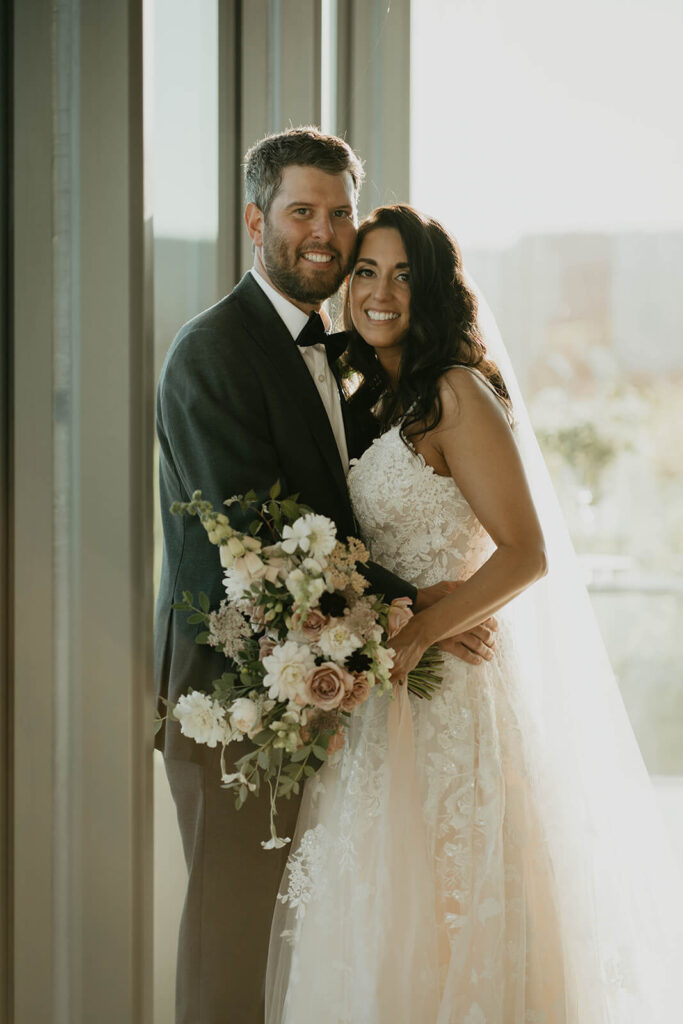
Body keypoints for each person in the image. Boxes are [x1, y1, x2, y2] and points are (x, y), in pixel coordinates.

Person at [266, 205, 683, 1023]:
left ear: (436, 294)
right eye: (364, 271)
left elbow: (525, 551)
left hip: (450, 693)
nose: (381, 291)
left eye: (403, 275)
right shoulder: (373, 401)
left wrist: (421, 632)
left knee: (456, 907)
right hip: (386, 702)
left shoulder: (456, 392)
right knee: (383, 906)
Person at [154, 131, 497, 1024]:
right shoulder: (212, 351)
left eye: (338, 212)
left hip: (335, 696)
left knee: (306, 957)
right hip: (238, 705)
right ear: (255, 219)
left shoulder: (347, 359)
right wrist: (415, 601)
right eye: (302, 211)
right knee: (230, 953)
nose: (325, 232)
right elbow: (256, 537)